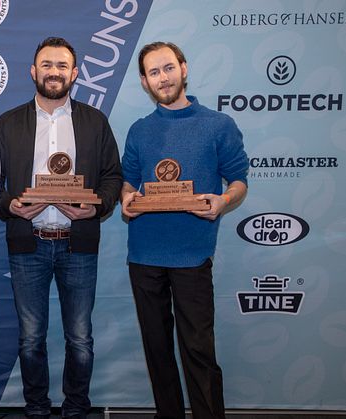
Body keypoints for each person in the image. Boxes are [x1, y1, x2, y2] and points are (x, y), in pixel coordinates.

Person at [0, 37, 122, 419]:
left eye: (61, 65)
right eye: (46, 65)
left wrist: (95, 208)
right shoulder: (9, 122)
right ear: (33, 71)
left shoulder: (94, 122)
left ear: (75, 73)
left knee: (80, 339)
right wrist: (10, 206)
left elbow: (113, 177)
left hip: (77, 244)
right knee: (31, 339)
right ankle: (36, 407)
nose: (54, 72)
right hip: (28, 243)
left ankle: (76, 407)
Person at [120, 41, 249, 419]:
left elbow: (238, 179)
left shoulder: (218, 125)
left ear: (184, 69)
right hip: (144, 255)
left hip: (192, 254)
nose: (163, 77)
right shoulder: (139, 130)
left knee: (198, 350)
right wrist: (128, 199)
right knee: (157, 351)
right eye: (154, 72)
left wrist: (223, 202)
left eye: (168, 68)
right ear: (144, 82)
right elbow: (129, 182)